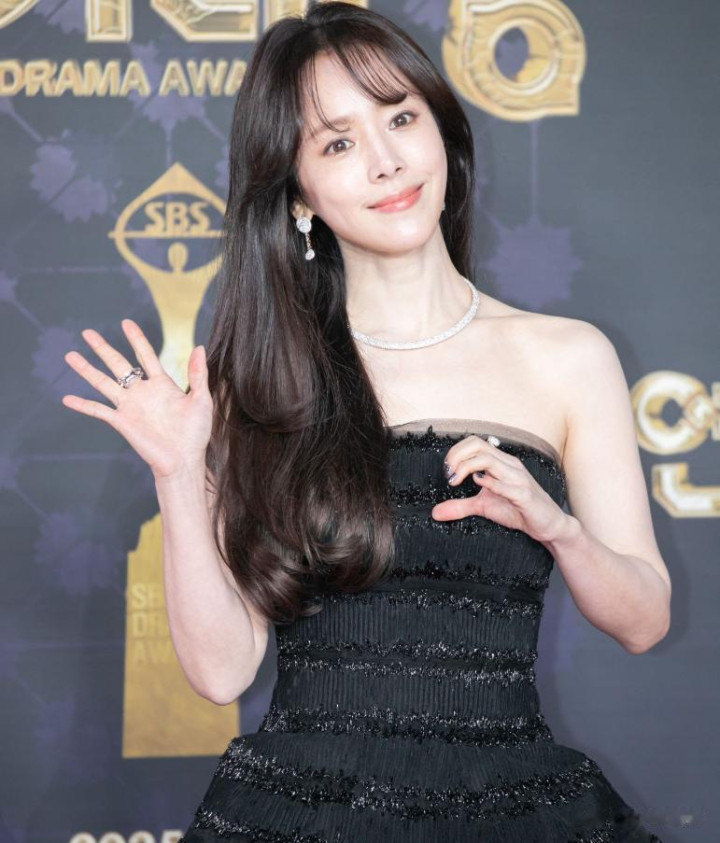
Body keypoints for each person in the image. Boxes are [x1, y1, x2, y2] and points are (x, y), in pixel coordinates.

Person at [62, 3, 670, 840]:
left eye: (401, 118)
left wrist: (558, 528)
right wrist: (178, 471)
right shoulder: (262, 382)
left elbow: (645, 618)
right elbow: (222, 671)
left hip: (511, 805)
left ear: (442, 131)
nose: (386, 162)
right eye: (338, 143)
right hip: (301, 812)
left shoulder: (569, 358)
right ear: (299, 195)